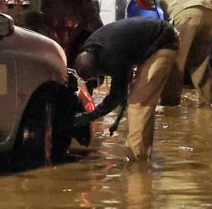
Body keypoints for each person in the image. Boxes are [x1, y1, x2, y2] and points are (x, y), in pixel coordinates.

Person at [71, 17, 180, 162]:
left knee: (138, 105)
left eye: (94, 77)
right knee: (143, 102)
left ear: (99, 68)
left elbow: (116, 95)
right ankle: (143, 156)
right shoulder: (93, 48)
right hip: (154, 40)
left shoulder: (113, 56)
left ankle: (135, 161)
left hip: (164, 41)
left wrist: (90, 116)